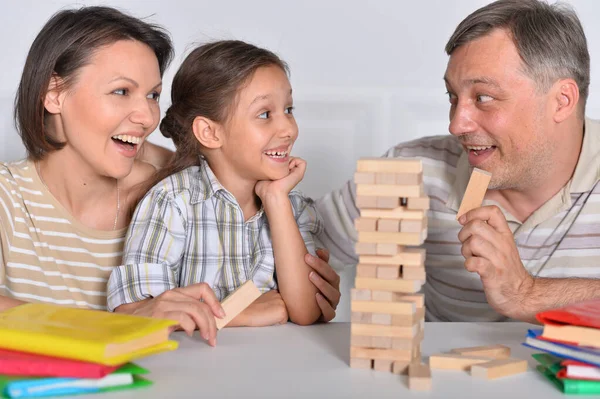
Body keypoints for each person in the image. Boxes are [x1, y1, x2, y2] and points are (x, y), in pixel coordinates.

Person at [0, 7, 341, 327]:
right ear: (55, 93)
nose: (148, 117)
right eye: (121, 91)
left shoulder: (178, 184)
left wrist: (305, 285)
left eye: (152, 95)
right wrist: (131, 323)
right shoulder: (8, 197)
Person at [317, 0, 600, 323]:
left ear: (562, 101)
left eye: (483, 97)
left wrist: (525, 292)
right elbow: (294, 255)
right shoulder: (412, 173)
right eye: (453, 97)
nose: (457, 124)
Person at [107, 41, 329, 344]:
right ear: (210, 132)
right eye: (265, 114)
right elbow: (137, 312)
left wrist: (277, 202)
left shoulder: (293, 206)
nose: (289, 129)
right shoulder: (173, 202)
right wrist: (236, 313)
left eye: (288, 109)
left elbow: (305, 312)